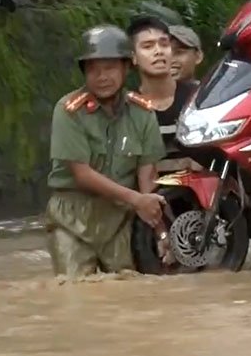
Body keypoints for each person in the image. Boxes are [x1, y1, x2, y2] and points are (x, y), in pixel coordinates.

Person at [44, 25, 169, 277]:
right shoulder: (68, 111)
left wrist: (161, 233)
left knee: (130, 287)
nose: (102, 77)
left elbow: (147, 179)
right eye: (93, 69)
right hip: (72, 218)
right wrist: (136, 200)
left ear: (126, 67)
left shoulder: (143, 112)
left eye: (110, 68)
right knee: (74, 290)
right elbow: (82, 174)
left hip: (120, 218)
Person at [128, 15, 201, 171]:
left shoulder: (201, 97)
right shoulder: (126, 108)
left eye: (164, 44)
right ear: (133, 57)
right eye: (148, 46)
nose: (158, 51)